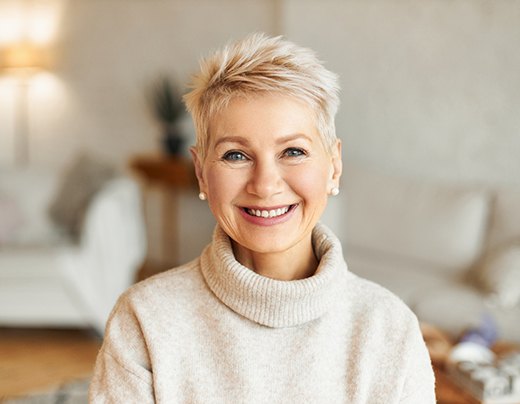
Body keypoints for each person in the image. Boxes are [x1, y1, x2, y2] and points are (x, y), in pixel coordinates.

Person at [89, 33, 435, 403]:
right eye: (236, 155)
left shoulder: (390, 329)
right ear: (202, 173)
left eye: (293, 151)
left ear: (334, 166)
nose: (265, 185)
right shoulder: (144, 321)